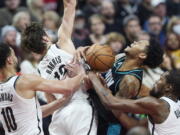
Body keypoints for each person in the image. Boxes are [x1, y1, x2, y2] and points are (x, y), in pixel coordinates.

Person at [21, 0, 97, 134]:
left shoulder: (39, 71)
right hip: (79, 107)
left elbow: (50, 100)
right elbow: (70, 5)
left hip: (58, 118)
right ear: (45, 38)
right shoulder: (62, 42)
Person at [75, 39, 163, 135]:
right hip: (93, 110)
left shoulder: (130, 81)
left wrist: (93, 80)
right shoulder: (121, 57)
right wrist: (85, 51)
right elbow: (98, 64)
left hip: (108, 125)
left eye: (139, 43)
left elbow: (112, 110)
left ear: (142, 55)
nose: (134, 42)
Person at [0, 43, 86, 135]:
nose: (16, 58)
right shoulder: (24, 80)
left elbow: (33, 113)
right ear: (9, 60)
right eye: (14, 55)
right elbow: (67, 87)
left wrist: (61, 101)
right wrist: (82, 71)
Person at [88, 70, 180, 135]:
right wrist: (105, 90)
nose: (156, 81)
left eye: (161, 79)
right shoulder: (176, 104)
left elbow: (109, 102)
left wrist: (92, 76)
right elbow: (136, 125)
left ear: (168, 87)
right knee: (138, 132)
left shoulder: (158, 105)